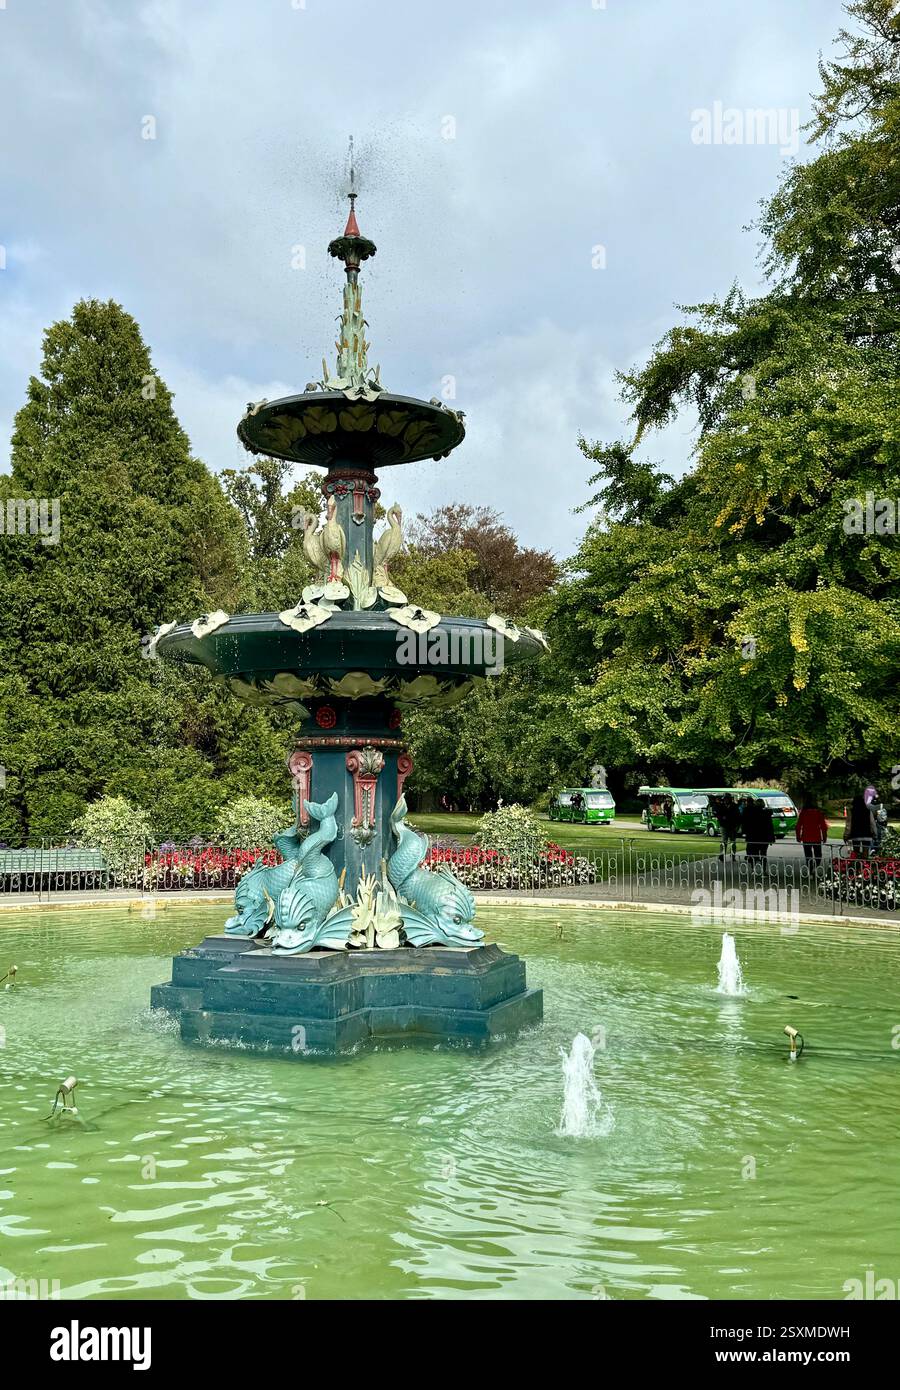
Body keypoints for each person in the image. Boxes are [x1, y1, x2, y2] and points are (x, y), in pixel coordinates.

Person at [795, 796, 829, 864]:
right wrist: (824, 837)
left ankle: (810, 869)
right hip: (816, 837)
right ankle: (817, 866)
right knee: (818, 854)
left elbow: (798, 826)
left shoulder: (803, 813)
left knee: (808, 855)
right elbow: (823, 826)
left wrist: (798, 837)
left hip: (806, 837)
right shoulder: (818, 813)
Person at [844, 793, 876, 858]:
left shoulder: (851, 811)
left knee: (856, 852)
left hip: (855, 834)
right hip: (867, 834)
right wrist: (875, 833)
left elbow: (849, 824)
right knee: (865, 853)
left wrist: (846, 835)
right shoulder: (868, 811)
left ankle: (856, 864)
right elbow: (872, 823)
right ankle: (865, 865)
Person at [744, 797, 775, 862]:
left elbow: (748, 825)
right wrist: (771, 838)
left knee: (754, 853)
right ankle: (763, 869)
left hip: (754, 836)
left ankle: (754, 869)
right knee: (763, 854)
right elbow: (770, 826)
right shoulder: (767, 814)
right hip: (764, 836)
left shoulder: (751, 814)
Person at [717, 793, 742, 861]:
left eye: (727, 799)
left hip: (732, 826)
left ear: (730, 799)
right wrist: (722, 818)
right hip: (724, 826)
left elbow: (738, 816)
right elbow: (718, 815)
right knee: (723, 841)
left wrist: (737, 825)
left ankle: (733, 856)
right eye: (725, 799)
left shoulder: (734, 806)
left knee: (733, 842)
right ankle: (722, 855)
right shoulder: (721, 806)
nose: (726, 800)